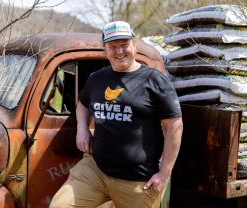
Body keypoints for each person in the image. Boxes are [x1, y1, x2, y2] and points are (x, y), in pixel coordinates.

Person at [49, 21, 183, 208]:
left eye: (124, 45)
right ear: (105, 49)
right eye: (112, 47)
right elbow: (83, 103)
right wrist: (82, 128)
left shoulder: (154, 80)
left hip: (137, 180)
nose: (119, 52)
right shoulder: (97, 78)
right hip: (96, 170)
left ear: (133, 45)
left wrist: (164, 173)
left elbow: (174, 126)